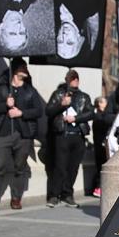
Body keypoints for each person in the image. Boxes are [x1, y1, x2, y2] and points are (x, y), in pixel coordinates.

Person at [0, 58, 42, 210]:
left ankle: (16, 198)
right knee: (0, 164)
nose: (25, 70)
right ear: (15, 70)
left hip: (23, 135)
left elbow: (38, 111)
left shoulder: (30, 91)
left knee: (19, 167)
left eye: (26, 67)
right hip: (4, 133)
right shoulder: (3, 88)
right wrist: (6, 105)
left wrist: (21, 112)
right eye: (22, 67)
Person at [45, 69, 94, 208]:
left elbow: (91, 113)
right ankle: (54, 195)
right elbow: (48, 111)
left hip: (78, 135)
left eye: (76, 78)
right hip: (62, 134)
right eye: (72, 78)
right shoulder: (59, 94)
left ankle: (67, 194)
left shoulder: (84, 97)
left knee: (73, 168)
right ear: (67, 79)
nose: (75, 80)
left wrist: (76, 118)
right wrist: (62, 105)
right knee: (60, 167)